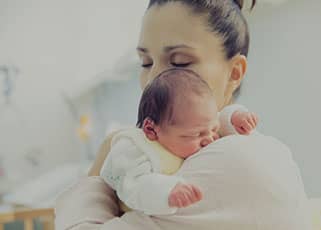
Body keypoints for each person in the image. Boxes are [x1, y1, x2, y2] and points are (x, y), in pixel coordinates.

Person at [55, 0, 312, 229]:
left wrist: (98, 171)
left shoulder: (239, 161)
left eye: (179, 62)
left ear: (235, 72)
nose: (152, 80)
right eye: (145, 63)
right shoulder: (181, 157)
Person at [100, 68, 258, 215]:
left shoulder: (197, 125)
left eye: (213, 129)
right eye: (195, 135)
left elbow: (219, 118)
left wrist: (235, 118)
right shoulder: (137, 150)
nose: (210, 139)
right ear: (152, 130)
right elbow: (135, 187)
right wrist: (167, 192)